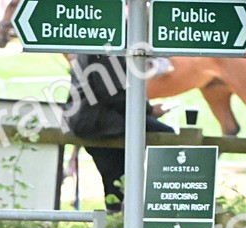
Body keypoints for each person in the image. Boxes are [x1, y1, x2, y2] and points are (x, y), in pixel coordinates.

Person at [62, 54, 175, 212]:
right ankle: (168, 198)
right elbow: (111, 93)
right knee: (168, 136)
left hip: (91, 118)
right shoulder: (108, 51)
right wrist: (149, 109)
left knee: (114, 182)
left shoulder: (98, 48)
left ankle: (120, 219)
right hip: (99, 120)